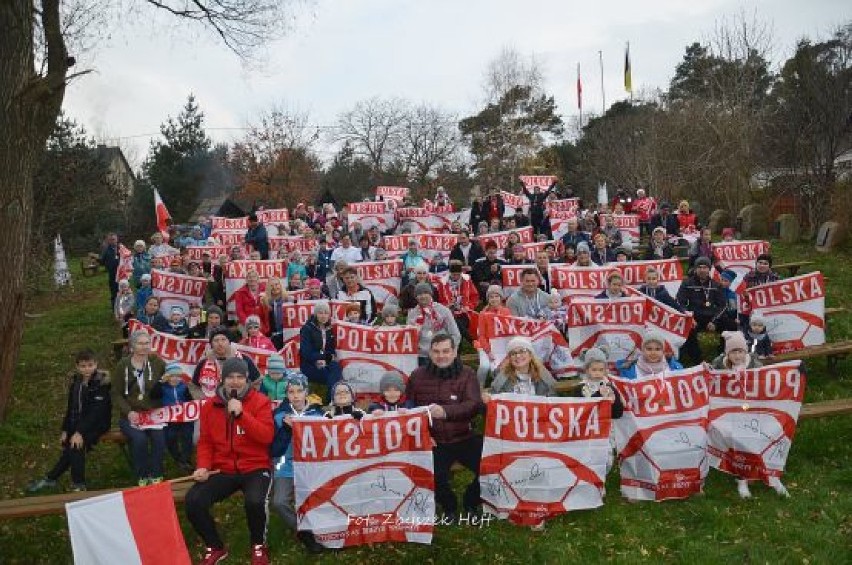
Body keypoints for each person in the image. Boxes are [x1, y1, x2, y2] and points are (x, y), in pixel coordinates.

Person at [185, 358, 275, 565]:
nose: (235, 382)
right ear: (222, 379)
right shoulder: (209, 406)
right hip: (223, 470)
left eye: (240, 377)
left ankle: (258, 545)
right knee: (194, 501)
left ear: (247, 379)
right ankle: (215, 546)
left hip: (255, 466)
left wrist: (242, 414)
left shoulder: (260, 401)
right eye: (230, 377)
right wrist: (203, 466)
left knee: (255, 502)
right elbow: (205, 441)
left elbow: (266, 436)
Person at [407, 333, 483, 519]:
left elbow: (473, 405)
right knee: (435, 476)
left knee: (491, 466)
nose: (441, 355)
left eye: (446, 351)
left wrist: (446, 412)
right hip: (434, 440)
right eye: (436, 351)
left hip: (464, 436)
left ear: (455, 351)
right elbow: (410, 409)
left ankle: (471, 501)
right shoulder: (417, 376)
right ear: (430, 353)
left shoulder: (467, 374)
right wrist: (423, 434)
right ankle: (449, 505)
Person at [27, 349, 111, 493]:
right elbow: (70, 408)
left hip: (97, 424)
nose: (87, 369)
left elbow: (95, 414)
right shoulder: (75, 383)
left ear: (96, 364)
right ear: (77, 367)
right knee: (69, 447)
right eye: (83, 366)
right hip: (78, 422)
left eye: (90, 365)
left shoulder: (101, 384)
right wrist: (65, 430)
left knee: (75, 446)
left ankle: (78, 484)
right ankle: (51, 478)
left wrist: (79, 432)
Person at [270, 373, 326, 554]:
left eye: (299, 391)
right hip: (283, 465)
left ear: (306, 392)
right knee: (278, 502)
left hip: (311, 466)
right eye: (291, 391)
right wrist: (286, 431)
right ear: (286, 394)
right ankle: (303, 532)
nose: (295, 395)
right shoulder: (279, 416)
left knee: (319, 498)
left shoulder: (318, 415)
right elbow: (274, 450)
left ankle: (324, 529)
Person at [113, 330, 167, 485]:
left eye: (147, 343)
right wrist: (128, 412)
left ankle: (156, 474)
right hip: (131, 414)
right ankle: (142, 474)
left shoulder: (156, 362)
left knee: (159, 438)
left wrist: (172, 378)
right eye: (140, 343)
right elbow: (116, 393)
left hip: (153, 413)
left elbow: (172, 372)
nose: (144, 347)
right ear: (132, 346)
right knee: (139, 439)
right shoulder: (123, 365)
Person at [677, 257, 727, 365]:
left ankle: (722, 356)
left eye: (705, 267)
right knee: (687, 329)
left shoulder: (716, 285)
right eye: (699, 267)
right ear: (695, 269)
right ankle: (698, 361)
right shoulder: (687, 283)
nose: (702, 269)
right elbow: (680, 302)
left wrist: (714, 321)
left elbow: (723, 305)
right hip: (695, 317)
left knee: (730, 326)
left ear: (709, 269)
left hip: (712, 318)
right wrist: (690, 318)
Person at [150, 361, 195, 473]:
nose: (175, 379)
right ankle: (178, 458)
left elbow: (190, 401)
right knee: (169, 438)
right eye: (172, 376)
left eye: (178, 376)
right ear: (167, 377)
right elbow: (153, 395)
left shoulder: (184, 387)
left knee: (188, 436)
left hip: (184, 418)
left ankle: (185, 460)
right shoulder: (163, 387)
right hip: (170, 419)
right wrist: (160, 382)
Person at [192, 326, 261, 399]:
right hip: (212, 405)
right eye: (216, 340)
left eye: (223, 340)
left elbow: (256, 382)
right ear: (211, 344)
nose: (220, 343)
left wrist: (245, 399)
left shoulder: (245, 359)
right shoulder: (204, 362)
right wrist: (203, 400)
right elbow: (194, 386)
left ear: (229, 342)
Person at [406, 283, 461, 364]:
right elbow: (409, 338)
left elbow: (455, 334)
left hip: (442, 353)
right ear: (416, 297)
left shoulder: (443, 310)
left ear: (430, 294)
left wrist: (451, 350)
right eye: (419, 294)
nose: (423, 296)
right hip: (422, 355)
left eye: (425, 293)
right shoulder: (412, 314)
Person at [486, 336, 556, 399]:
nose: (518, 356)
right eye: (513, 353)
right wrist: (488, 397)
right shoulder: (503, 376)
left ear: (530, 355)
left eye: (522, 351)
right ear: (510, 358)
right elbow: (494, 395)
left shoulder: (542, 373)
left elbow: (553, 396)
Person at [299, 301, 343, 398]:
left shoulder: (329, 328)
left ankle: (333, 399)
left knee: (336, 367)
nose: (323, 316)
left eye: (326, 313)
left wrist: (327, 358)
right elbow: (306, 353)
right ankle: (332, 398)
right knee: (333, 375)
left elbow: (331, 349)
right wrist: (323, 356)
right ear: (315, 314)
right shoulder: (307, 329)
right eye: (320, 313)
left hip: (325, 363)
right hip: (310, 365)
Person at [436, 260, 479, 343]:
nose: (456, 277)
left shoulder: (467, 280)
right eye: (453, 274)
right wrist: (447, 306)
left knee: (458, 325)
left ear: (461, 272)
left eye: (458, 274)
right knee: (455, 323)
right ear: (449, 273)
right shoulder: (442, 283)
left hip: (465, 313)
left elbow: (475, 297)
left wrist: (468, 306)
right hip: (449, 313)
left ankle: (457, 353)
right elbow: (438, 301)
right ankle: (474, 343)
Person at [616, 331, 684, 379]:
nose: (653, 353)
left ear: (663, 351)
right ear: (643, 350)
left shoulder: (676, 368)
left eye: (657, 349)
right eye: (649, 349)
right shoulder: (628, 370)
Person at [100, 232, 120, 307]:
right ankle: (115, 308)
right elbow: (102, 261)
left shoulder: (121, 248)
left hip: (122, 274)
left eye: (114, 239)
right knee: (114, 292)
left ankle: (125, 308)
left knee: (124, 290)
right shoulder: (106, 250)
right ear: (108, 241)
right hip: (113, 274)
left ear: (117, 239)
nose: (112, 241)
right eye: (110, 240)